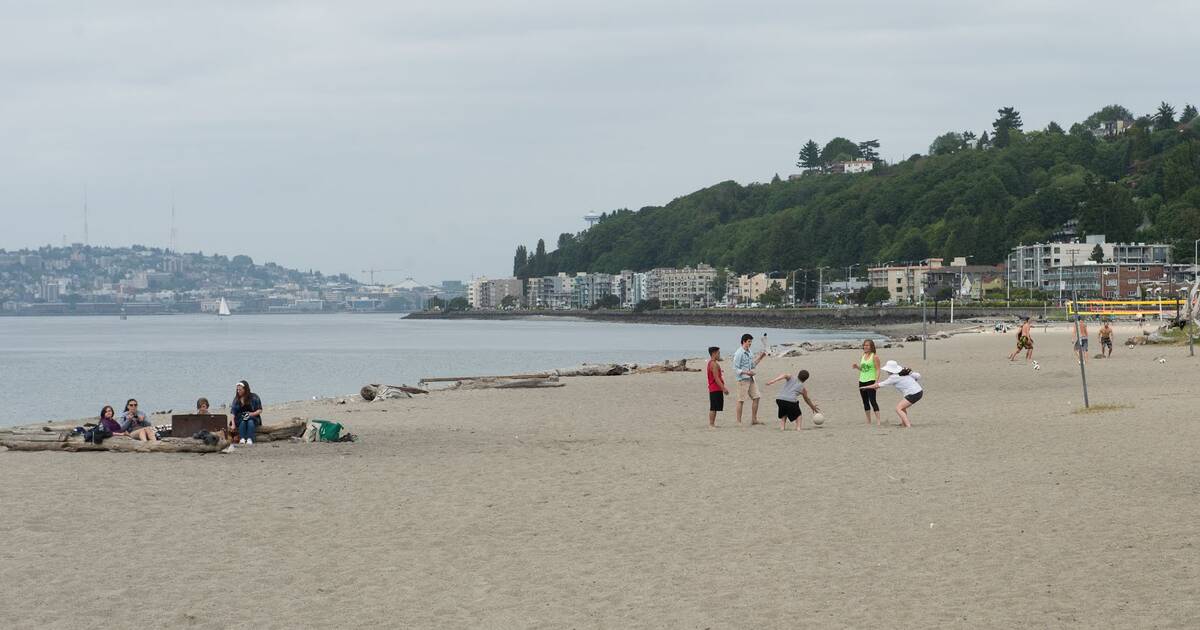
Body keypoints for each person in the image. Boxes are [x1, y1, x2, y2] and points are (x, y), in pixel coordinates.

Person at [860, 360, 922, 428]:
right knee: (902, 408)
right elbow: (918, 376)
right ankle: (903, 424)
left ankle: (908, 425)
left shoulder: (893, 377)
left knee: (898, 409)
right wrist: (911, 373)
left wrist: (866, 387)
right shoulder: (903, 372)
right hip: (918, 391)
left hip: (914, 393)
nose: (886, 371)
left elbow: (878, 385)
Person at [731, 333, 766, 426]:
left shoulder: (750, 352)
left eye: (751, 341)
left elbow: (752, 365)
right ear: (744, 342)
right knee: (741, 400)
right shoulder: (739, 353)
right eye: (749, 341)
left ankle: (754, 420)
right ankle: (738, 421)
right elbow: (735, 368)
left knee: (757, 397)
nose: (750, 343)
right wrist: (746, 372)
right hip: (742, 380)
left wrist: (760, 357)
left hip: (751, 379)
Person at [853, 339, 882, 425]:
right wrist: (857, 367)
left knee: (872, 400)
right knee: (865, 401)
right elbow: (863, 369)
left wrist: (876, 382)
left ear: (871, 347)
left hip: (871, 380)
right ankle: (868, 420)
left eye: (867, 345)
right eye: (864, 345)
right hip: (862, 380)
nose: (865, 347)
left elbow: (878, 370)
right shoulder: (863, 355)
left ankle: (878, 421)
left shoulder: (875, 356)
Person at [230, 380, 263, 445]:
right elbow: (233, 413)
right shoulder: (236, 399)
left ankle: (249, 439)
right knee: (243, 421)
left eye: (240, 390)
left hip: (253, 417)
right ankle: (242, 439)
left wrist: (251, 414)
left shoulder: (254, 397)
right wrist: (233, 424)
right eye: (237, 390)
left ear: (245, 389)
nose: (238, 391)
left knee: (250, 421)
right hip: (240, 418)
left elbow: (260, 410)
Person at [705, 346, 730, 429]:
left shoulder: (711, 363)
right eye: (718, 353)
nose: (719, 355)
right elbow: (716, 378)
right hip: (714, 388)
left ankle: (712, 423)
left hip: (715, 388)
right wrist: (724, 388)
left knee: (715, 407)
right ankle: (711, 424)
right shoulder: (713, 364)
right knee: (713, 407)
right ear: (714, 353)